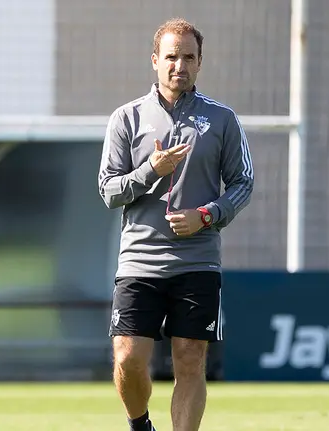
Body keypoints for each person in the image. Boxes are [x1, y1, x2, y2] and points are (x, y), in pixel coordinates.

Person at [97, 18, 254, 431]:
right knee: (128, 359)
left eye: (188, 57)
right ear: (154, 61)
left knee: (190, 358)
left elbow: (243, 183)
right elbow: (109, 191)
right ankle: (139, 424)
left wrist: (207, 215)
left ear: (200, 63)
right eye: (171, 56)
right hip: (139, 263)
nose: (178, 65)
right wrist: (151, 168)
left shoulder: (222, 120)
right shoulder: (126, 118)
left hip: (197, 261)